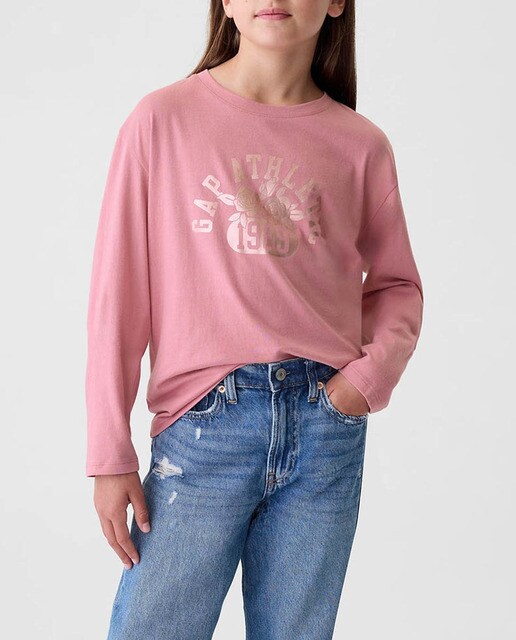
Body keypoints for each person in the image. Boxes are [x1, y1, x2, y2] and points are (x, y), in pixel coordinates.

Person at [85, 1, 424, 638]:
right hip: (202, 425)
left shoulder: (360, 145)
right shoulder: (162, 121)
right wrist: (109, 452)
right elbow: (117, 296)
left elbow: (398, 286)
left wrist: (363, 384)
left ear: (336, 2)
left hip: (326, 430)